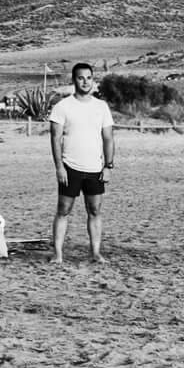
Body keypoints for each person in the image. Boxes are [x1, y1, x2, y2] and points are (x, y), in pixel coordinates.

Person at [47, 63, 115, 264]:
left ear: (93, 80)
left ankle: (95, 253)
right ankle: (58, 254)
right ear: (73, 80)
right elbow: (55, 138)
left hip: (95, 169)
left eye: (88, 78)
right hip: (70, 168)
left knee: (94, 211)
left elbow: (108, 138)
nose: (85, 81)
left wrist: (108, 166)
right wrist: (59, 167)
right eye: (80, 78)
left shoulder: (101, 107)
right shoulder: (62, 107)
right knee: (63, 210)